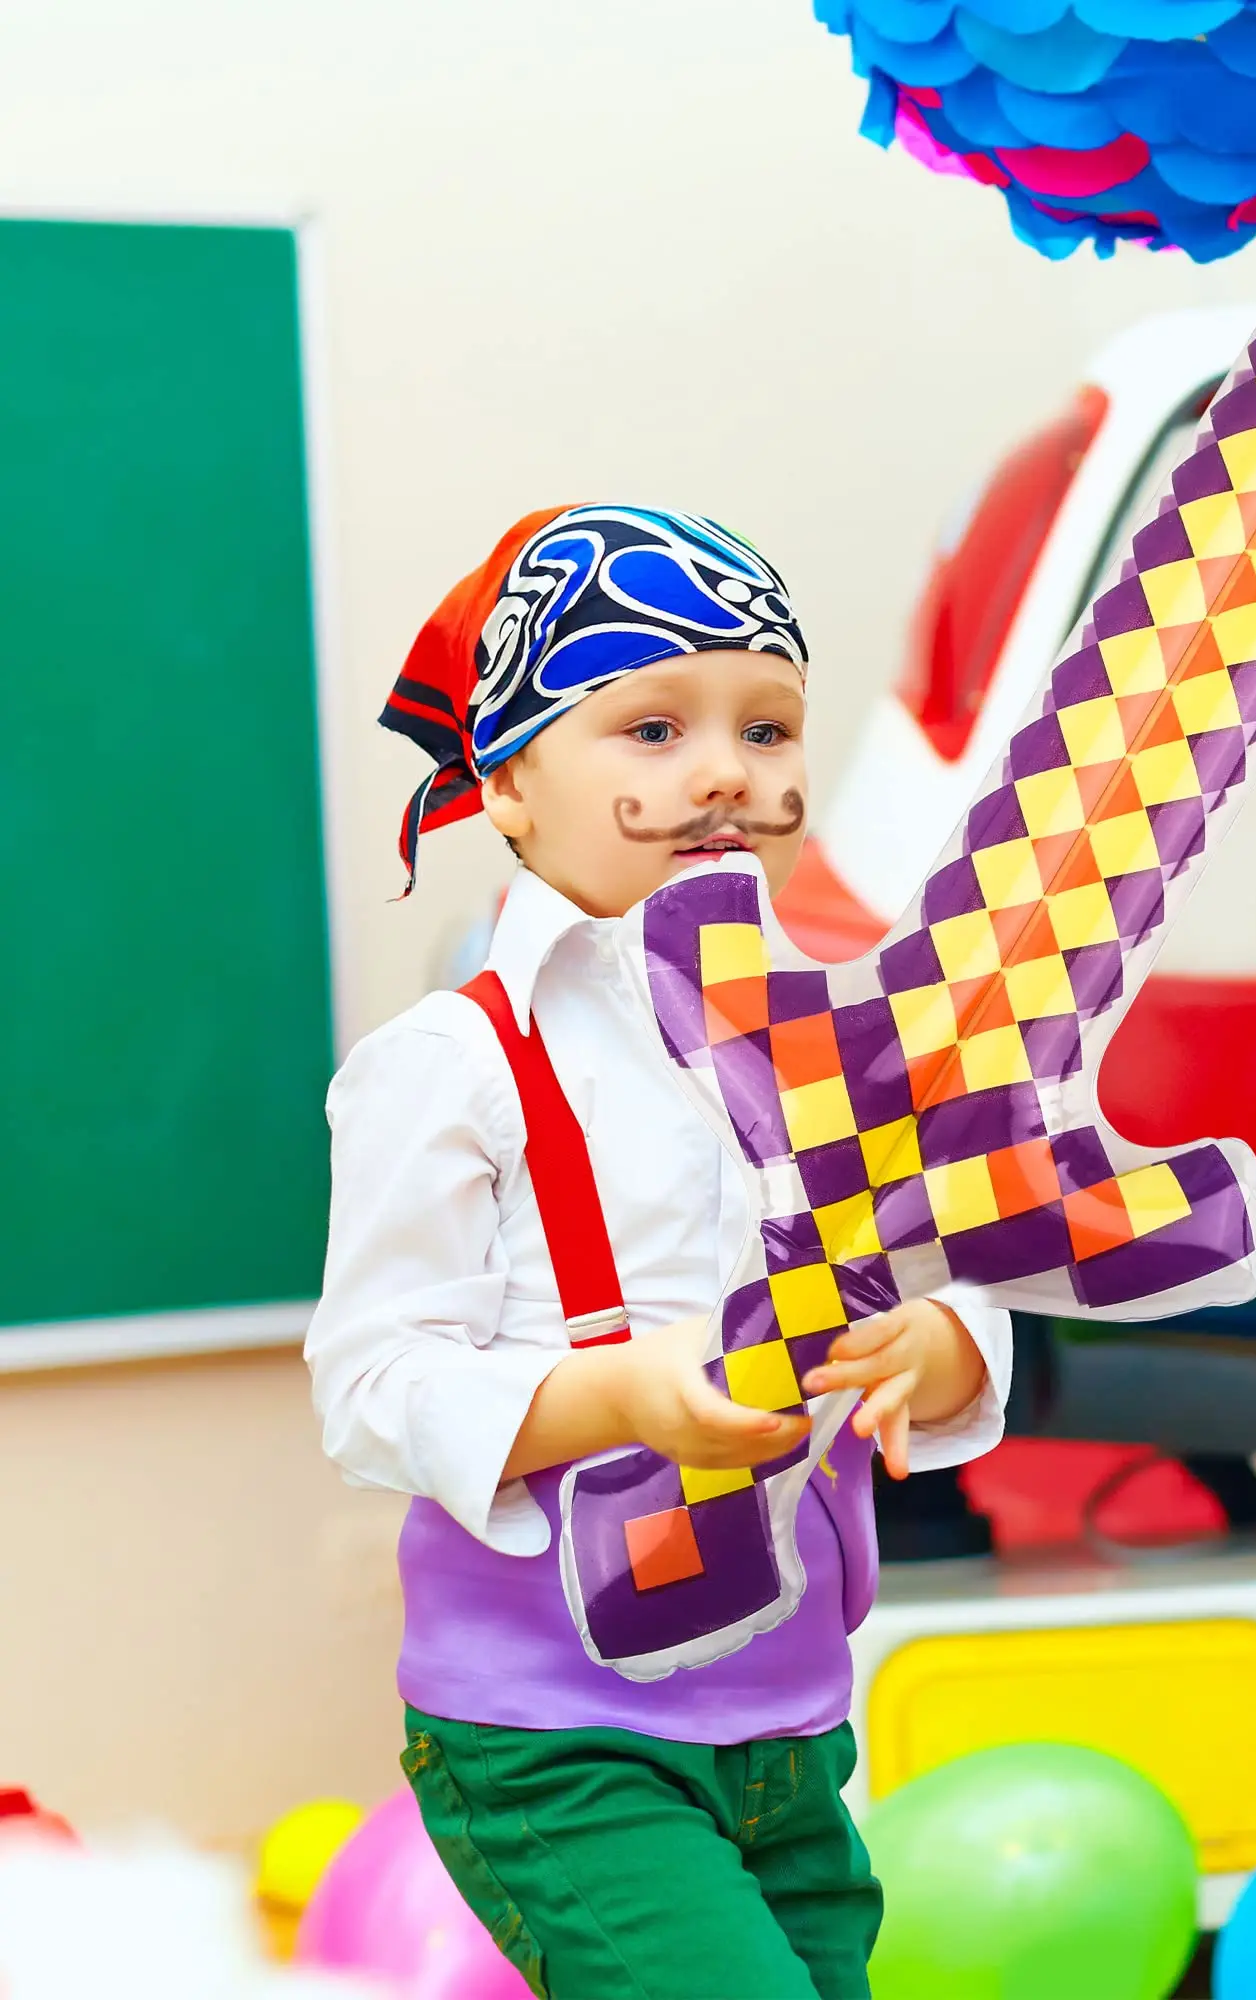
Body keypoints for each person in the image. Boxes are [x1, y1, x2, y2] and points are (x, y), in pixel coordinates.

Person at [306, 503, 1011, 2000]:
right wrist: (619, 1396)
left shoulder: (839, 1039)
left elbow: (953, 1267)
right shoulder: (452, 1065)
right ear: (506, 779)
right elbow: (373, 1383)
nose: (723, 771)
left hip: (790, 1720)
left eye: (767, 726)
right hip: (561, 1736)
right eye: (651, 728)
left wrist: (943, 1352)